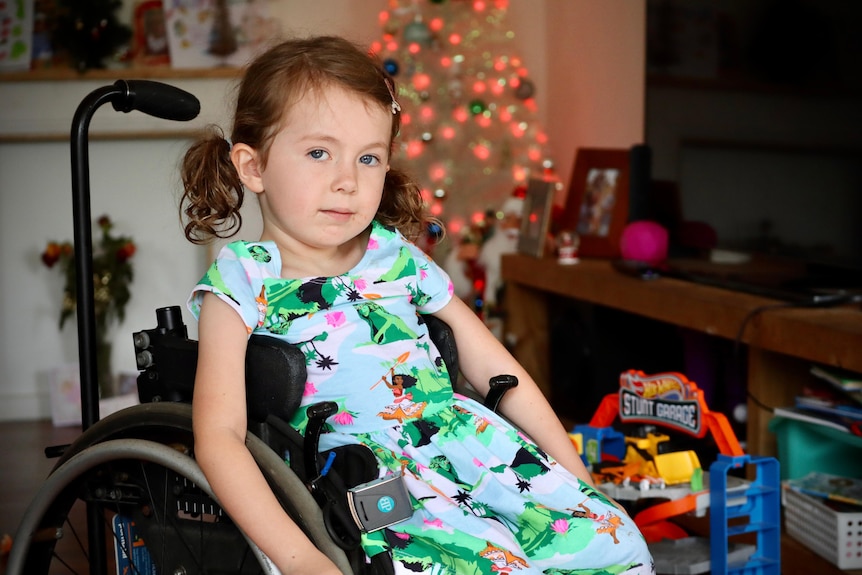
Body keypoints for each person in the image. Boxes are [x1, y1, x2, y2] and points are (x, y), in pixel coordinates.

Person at [180, 35, 654, 575]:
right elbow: (217, 437)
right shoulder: (244, 279)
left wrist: (579, 479)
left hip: (466, 451)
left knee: (615, 544)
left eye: (368, 158)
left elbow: (499, 370)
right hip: (361, 480)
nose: (347, 181)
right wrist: (299, 559)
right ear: (253, 166)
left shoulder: (396, 256)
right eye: (318, 152)